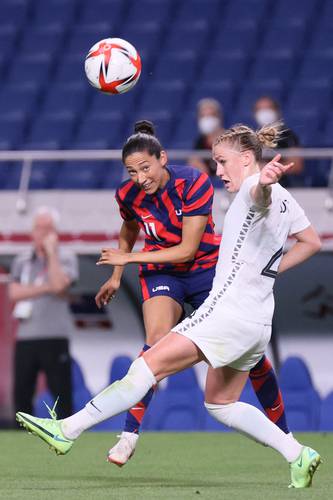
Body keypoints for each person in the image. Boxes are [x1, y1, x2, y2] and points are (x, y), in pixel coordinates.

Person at [16, 123, 322, 489]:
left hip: (224, 315)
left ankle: (67, 429)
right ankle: (296, 453)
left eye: (223, 162)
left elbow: (259, 195)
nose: (218, 171)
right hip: (258, 323)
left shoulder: (252, 191)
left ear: (246, 159)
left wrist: (265, 181)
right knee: (220, 404)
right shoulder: (289, 199)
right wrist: (267, 272)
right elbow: (312, 242)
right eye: (215, 164)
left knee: (145, 368)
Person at [95, 120, 292, 467]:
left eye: (145, 168)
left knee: (251, 355)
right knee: (155, 343)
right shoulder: (127, 195)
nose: (140, 178)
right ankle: (128, 436)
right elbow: (128, 227)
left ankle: (286, 437)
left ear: (163, 159)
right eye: (131, 171)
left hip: (203, 268)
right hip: (161, 270)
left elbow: (187, 250)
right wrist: (116, 275)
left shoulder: (194, 181)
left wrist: (128, 257)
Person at [9, 206, 79, 420]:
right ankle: (22, 438)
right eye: (38, 228)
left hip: (55, 335)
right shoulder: (22, 261)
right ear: (32, 231)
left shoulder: (66, 257)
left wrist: (51, 255)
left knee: (61, 393)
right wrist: (46, 288)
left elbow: (59, 285)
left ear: (55, 232)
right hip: (26, 337)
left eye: (47, 228)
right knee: (21, 392)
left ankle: (65, 434)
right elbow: (14, 293)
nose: (42, 233)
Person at [253, 96, 304, 187]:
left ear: (277, 111)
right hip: (259, 187)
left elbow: (297, 165)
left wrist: (271, 169)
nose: (264, 113)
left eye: (268, 108)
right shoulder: (251, 138)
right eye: (260, 109)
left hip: (284, 185)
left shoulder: (288, 135)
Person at [189, 98, 224, 176]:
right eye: (203, 116)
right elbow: (194, 162)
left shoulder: (230, 140)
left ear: (219, 117)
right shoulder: (199, 141)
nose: (207, 120)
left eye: (211, 115)